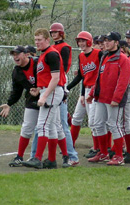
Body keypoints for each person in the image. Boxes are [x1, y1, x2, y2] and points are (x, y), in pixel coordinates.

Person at [22, 28, 67, 169]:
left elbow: (55, 78)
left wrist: (45, 95)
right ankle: (52, 160)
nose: (37, 42)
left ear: (47, 40)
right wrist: (39, 89)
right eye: (35, 40)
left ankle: (37, 158)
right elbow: (47, 77)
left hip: (53, 92)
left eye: (40, 39)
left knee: (42, 125)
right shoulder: (44, 54)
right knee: (52, 127)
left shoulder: (51, 54)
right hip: (49, 90)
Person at [87, 31, 130, 166]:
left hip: (113, 99)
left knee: (114, 125)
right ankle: (103, 153)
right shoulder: (105, 56)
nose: (106, 43)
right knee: (98, 124)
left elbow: (123, 81)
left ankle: (119, 156)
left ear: (116, 43)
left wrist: (116, 98)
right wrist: (92, 93)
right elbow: (99, 78)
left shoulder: (122, 59)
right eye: (104, 40)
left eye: (109, 40)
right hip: (101, 97)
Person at [0, 46, 40, 167]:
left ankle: (65, 156)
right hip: (32, 99)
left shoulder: (38, 63)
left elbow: (52, 76)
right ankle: (19, 157)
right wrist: (9, 103)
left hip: (48, 97)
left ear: (26, 54)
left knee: (54, 129)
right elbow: (16, 91)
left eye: (18, 54)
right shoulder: (17, 71)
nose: (15, 57)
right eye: (13, 54)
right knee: (27, 128)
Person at [66, 31, 102, 159]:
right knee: (76, 117)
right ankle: (70, 145)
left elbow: (101, 74)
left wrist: (94, 91)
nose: (81, 43)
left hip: (95, 90)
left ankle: (97, 148)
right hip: (85, 90)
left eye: (83, 40)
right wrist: (69, 88)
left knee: (93, 121)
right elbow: (82, 76)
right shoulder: (81, 56)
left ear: (89, 41)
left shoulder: (98, 53)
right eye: (79, 41)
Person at [49, 22, 79, 166]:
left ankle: (72, 155)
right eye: (52, 33)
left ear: (61, 33)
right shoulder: (52, 47)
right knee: (53, 123)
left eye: (56, 32)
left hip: (60, 81)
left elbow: (65, 68)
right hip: (52, 82)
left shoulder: (64, 47)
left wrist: (62, 88)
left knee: (61, 123)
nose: (53, 34)